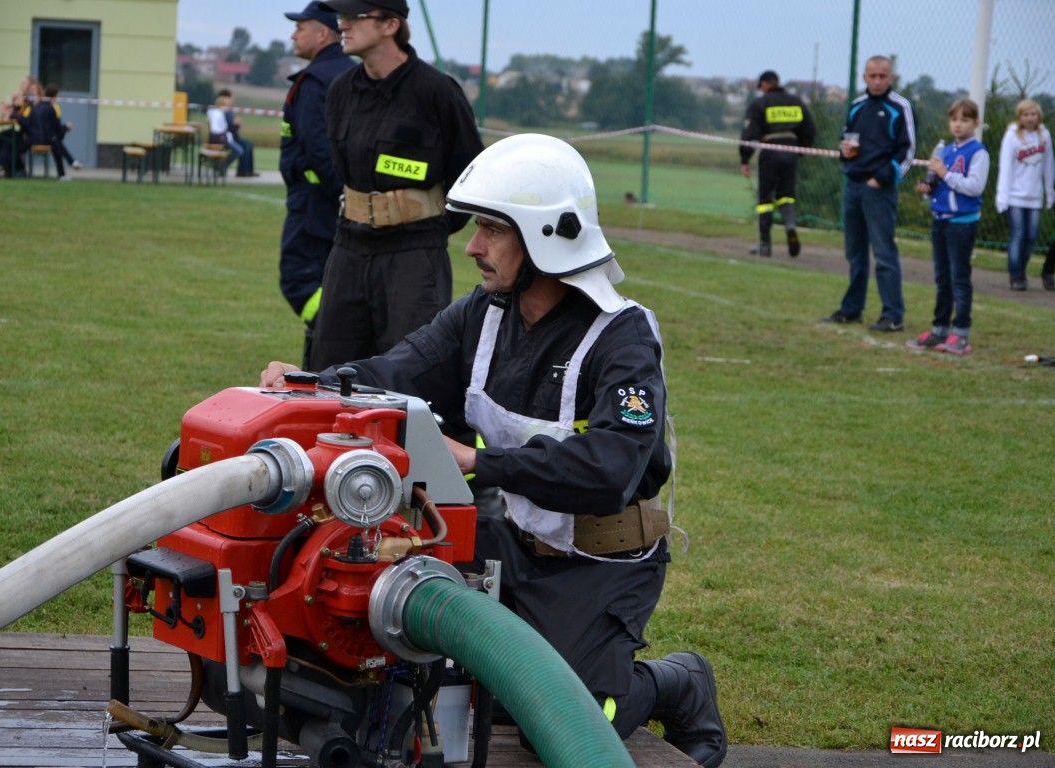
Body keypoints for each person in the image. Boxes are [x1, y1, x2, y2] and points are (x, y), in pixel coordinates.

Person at [259, 133, 728, 768]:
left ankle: (677, 681)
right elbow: (398, 372)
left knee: (561, 721)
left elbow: (612, 469)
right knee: (398, 620)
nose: (473, 246)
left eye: (490, 230)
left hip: (597, 563)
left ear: (545, 238)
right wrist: (310, 385)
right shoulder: (484, 312)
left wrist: (481, 463)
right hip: (510, 542)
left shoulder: (623, 336)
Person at [307, 0, 485, 371]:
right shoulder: (342, 91)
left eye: (355, 16)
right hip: (350, 248)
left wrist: (426, 221)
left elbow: (470, 172)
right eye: (341, 16)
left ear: (390, 25)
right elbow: (342, 169)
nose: (343, 25)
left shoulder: (436, 91)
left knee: (411, 369)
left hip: (413, 252)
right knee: (331, 365)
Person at [279, 2, 356, 369]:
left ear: (323, 33)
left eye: (301, 27)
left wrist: (339, 195)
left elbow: (317, 150)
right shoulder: (353, 74)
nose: (294, 33)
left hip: (313, 203)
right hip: (340, 203)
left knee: (300, 278)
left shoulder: (314, 81)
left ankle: (330, 335)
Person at [822, 55, 916, 332]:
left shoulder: (901, 107)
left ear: (891, 78)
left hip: (879, 190)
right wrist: (845, 152)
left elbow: (908, 151)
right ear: (864, 77)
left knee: (884, 253)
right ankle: (852, 309)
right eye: (872, 76)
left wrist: (884, 177)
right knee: (855, 252)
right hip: (853, 186)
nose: (877, 81)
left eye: (882, 76)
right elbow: (847, 138)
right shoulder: (856, 106)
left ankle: (893, 314)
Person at [907, 99, 989, 357]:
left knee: (959, 278)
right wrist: (927, 189)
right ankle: (939, 328)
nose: (958, 125)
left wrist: (944, 174)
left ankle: (961, 332)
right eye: (954, 119)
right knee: (942, 278)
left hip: (961, 223)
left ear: (975, 123)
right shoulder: (945, 151)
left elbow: (974, 187)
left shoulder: (978, 153)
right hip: (940, 220)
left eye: (965, 120)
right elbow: (939, 185)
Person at [739, 70, 815, 258]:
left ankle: (765, 245)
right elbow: (810, 129)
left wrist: (745, 159)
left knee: (764, 200)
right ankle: (790, 226)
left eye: (761, 87)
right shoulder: (796, 101)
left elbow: (749, 134)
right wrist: (801, 150)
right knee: (786, 196)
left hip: (770, 151)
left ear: (765, 84)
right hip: (791, 151)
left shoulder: (760, 103)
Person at [994, 99, 1054, 291]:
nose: (1030, 118)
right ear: (1019, 117)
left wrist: (1049, 192)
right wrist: (1002, 196)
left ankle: (1021, 269)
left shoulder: (1044, 135)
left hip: (1034, 197)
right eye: (1026, 114)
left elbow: (1048, 166)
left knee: (1031, 236)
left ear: (1038, 116)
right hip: (1015, 197)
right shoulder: (1012, 136)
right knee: (1018, 234)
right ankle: (1016, 275)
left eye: (1033, 114)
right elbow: (1005, 167)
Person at [207, 89, 256, 177]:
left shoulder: (220, 112)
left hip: (227, 137)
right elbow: (226, 129)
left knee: (248, 145)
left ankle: (247, 171)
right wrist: (236, 125)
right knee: (244, 147)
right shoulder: (221, 113)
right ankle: (241, 171)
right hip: (225, 138)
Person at [28, 83, 72, 181]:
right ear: (54, 96)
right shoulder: (50, 108)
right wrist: (65, 128)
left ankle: (71, 163)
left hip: (32, 138)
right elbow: (55, 127)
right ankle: (63, 173)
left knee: (57, 143)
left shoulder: (36, 107)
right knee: (57, 144)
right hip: (43, 138)